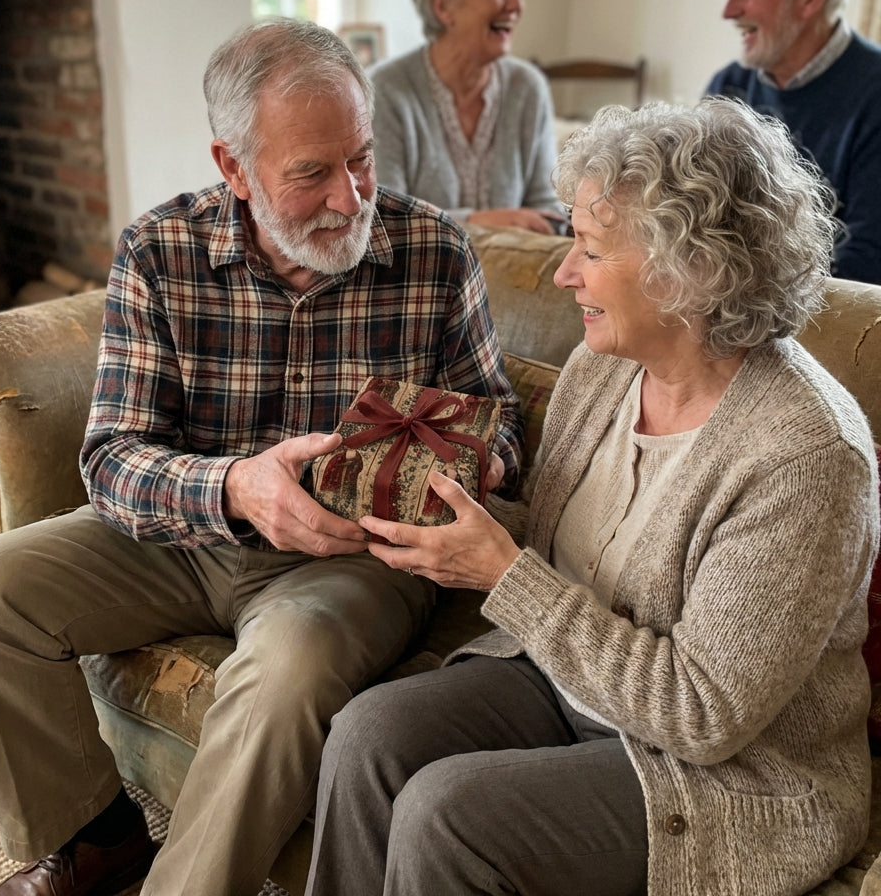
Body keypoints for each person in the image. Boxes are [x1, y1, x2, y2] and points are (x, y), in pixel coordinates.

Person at [0, 17, 524, 896]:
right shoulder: (160, 253)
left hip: (350, 559)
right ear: (234, 168)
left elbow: (497, 415)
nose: (351, 199)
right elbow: (113, 457)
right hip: (185, 535)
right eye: (311, 174)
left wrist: (481, 459)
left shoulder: (434, 251)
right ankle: (93, 837)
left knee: (286, 673)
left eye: (360, 157)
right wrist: (237, 485)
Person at [303, 98, 880, 896]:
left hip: (726, 772)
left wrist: (503, 573)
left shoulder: (807, 455)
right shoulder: (604, 368)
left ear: (690, 269)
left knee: (448, 816)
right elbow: (555, 547)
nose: (562, 271)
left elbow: (702, 714)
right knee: (369, 733)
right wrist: (430, 510)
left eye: (590, 249)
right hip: (570, 685)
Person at [705, 0, 881, 286]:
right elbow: (687, 221)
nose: (729, 10)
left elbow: (865, 262)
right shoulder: (728, 88)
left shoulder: (874, 93)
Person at [369, 0, 564, 235]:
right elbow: (384, 220)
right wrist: (475, 222)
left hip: (519, 277)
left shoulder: (527, 87)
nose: (516, 5)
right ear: (444, 8)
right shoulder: (386, 91)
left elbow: (548, 212)